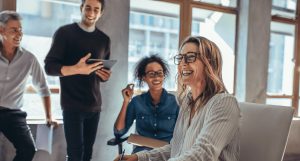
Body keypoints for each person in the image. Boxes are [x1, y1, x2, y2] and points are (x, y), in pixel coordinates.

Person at [114, 36, 240, 161]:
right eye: (180, 58)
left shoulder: (224, 103)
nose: (183, 63)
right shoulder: (187, 102)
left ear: (209, 63)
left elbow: (203, 155)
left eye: (190, 57)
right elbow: (176, 149)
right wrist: (139, 157)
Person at [44, 0, 111, 161]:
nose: (91, 12)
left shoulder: (104, 39)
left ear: (101, 13)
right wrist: (76, 69)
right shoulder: (64, 33)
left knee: (87, 154)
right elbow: (49, 67)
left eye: (96, 9)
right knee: (75, 154)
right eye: (88, 7)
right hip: (72, 105)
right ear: (81, 8)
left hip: (94, 105)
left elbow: (103, 70)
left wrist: (105, 76)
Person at [0, 10, 57, 161]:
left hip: (13, 114)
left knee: (28, 150)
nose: (19, 34)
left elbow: (43, 89)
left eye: (20, 30)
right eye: (14, 30)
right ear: (1, 30)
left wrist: (49, 116)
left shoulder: (29, 59)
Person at [114, 55, 179, 153]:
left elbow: (184, 133)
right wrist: (126, 101)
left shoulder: (176, 102)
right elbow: (119, 132)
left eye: (159, 73)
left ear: (164, 75)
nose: (156, 77)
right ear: (143, 77)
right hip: (141, 153)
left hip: (168, 154)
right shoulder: (137, 102)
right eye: (151, 74)